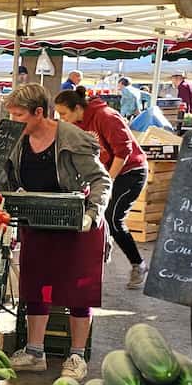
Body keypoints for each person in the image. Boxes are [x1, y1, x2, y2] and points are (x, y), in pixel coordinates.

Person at [3, 83, 112, 382]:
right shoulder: (16, 139)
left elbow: (101, 181)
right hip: (38, 220)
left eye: (19, 115)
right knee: (35, 285)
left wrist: (92, 214)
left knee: (78, 290)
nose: (13, 121)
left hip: (77, 224)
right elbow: (4, 177)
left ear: (39, 112)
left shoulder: (72, 138)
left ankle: (76, 355)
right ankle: (34, 352)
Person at [55, 85, 148, 289]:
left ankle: (138, 264)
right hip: (106, 173)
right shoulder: (77, 123)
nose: (62, 119)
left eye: (63, 114)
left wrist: (108, 181)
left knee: (113, 218)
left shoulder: (106, 116)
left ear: (77, 108)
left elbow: (124, 151)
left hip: (130, 171)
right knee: (93, 213)